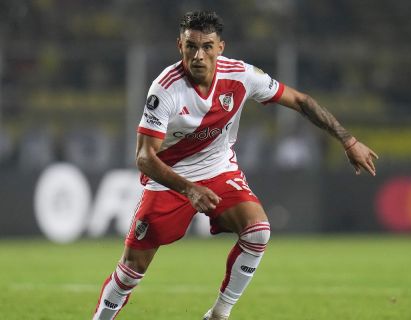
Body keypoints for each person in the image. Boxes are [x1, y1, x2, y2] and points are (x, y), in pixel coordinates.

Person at [92, 10, 378, 320]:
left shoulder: (241, 75)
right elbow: (145, 158)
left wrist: (348, 141)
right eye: (191, 46)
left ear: (220, 47)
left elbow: (300, 100)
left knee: (258, 232)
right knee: (132, 269)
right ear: (180, 46)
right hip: (170, 180)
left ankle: (219, 314)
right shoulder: (165, 89)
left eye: (207, 46)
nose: (198, 55)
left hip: (218, 170)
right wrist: (189, 189)